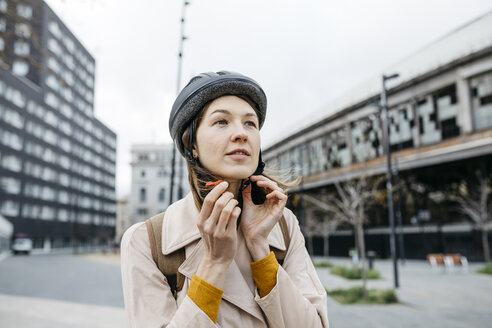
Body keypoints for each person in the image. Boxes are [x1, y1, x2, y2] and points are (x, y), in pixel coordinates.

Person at [121, 71, 329, 327]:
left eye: (250, 123)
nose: (241, 133)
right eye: (222, 122)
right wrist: (214, 263)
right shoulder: (147, 241)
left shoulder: (284, 226)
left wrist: (261, 251)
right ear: (192, 144)